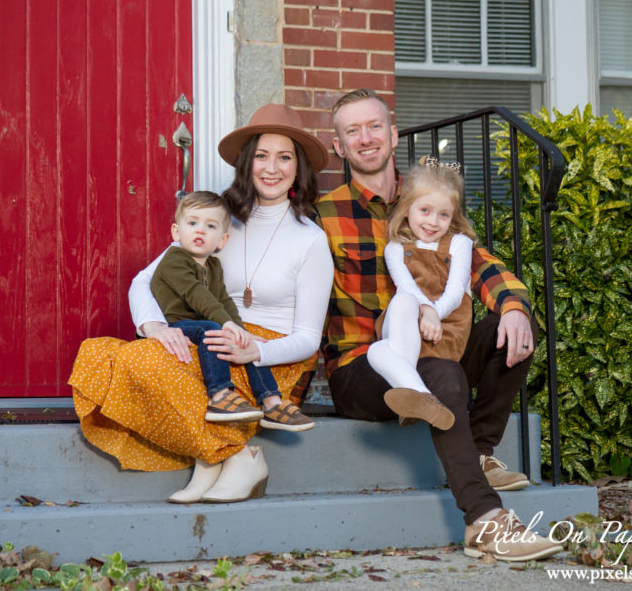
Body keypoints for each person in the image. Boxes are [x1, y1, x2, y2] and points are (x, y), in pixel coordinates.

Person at [315, 88, 562, 562]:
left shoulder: (429, 202)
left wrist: (513, 307)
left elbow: (481, 263)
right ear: (339, 146)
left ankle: (481, 452)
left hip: (434, 345)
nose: (365, 139)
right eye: (352, 131)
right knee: (443, 373)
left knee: (509, 331)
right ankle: (486, 522)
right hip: (363, 366)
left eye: (373, 127)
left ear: (393, 132)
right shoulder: (324, 216)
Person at [69, 103, 332, 504]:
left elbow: (309, 337)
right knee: (109, 354)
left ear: (299, 168)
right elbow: (146, 279)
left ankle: (220, 458)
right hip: (210, 345)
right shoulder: (218, 220)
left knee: (147, 363)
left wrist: (255, 350)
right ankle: (231, 454)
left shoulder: (310, 239)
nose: (271, 168)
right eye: (261, 155)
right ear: (247, 162)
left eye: (284, 157)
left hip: (269, 361)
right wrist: (156, 327)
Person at [151, 190, 314, 430]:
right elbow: (197, 295)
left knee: (244, 342)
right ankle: (219, 396)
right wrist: (225, 325)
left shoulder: (213, 265)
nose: (200, 230)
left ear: (222, 240)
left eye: (210, 226)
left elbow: (223, 300)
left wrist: (239, 329)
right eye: (193, 223)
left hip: (204, 326)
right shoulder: (174, 259)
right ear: (177, 231)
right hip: (178, 325)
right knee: (214, 328)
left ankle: (271, 401)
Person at [368, 157, 478, 432]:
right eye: (425, 210)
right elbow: (407, 287)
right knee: (404, 299)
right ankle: (424, 397)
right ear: (407, 209)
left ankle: (413, 396)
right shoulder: (395, 248)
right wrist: (425, 310)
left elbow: (454, 293)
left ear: (453, 216)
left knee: (377, 351)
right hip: (406, 327)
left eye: (444, 214)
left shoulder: (460, 244)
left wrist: (433, 314)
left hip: (444, 329)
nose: (433, 221)